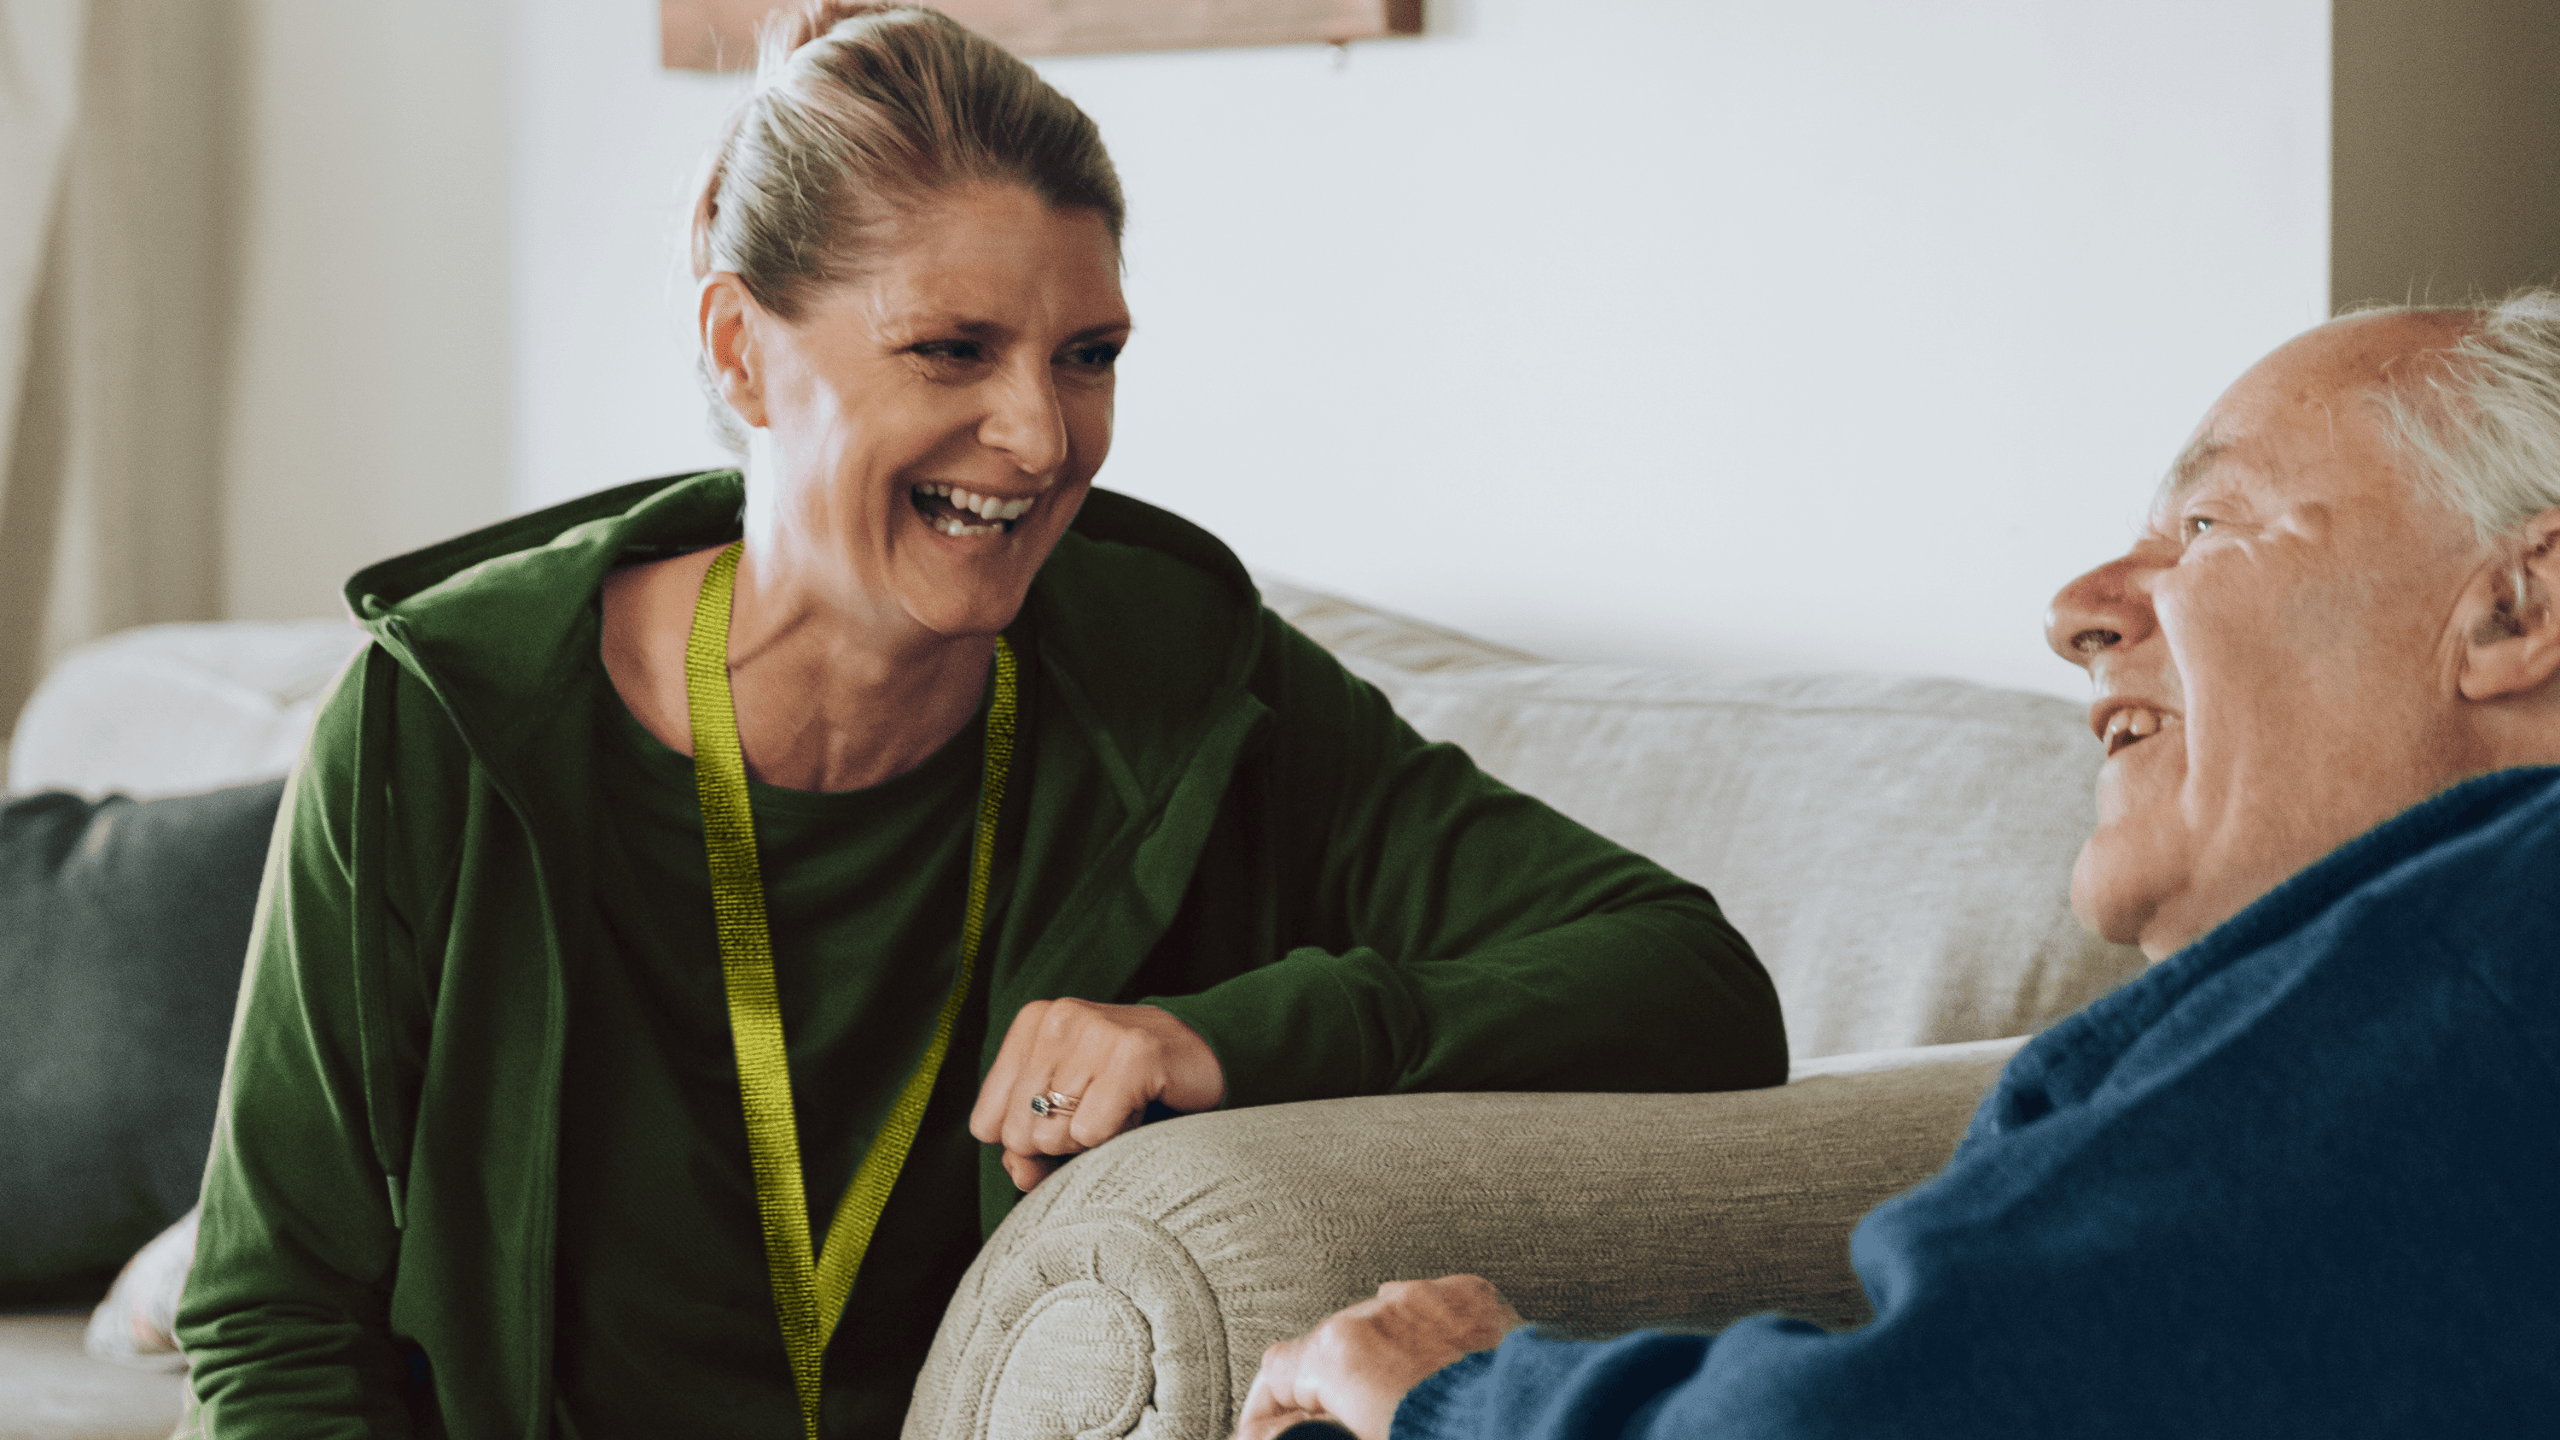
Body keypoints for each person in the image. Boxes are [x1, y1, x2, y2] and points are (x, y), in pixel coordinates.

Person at [171, 5, 1784, 1437]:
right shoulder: (439, 731)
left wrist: (1224, 1035)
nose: (1039, 436)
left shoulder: (1191, 680)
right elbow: (276, 1324)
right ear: (746, 351)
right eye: (952, 349)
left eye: (1087, 357)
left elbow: (1693, 986)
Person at [1236, 293, 2560, 1438]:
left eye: (2209, 526)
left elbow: (1896, 1423)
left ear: (2517, 608)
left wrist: (1466, 1399)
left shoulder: (2498, 924)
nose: (2079, 613)